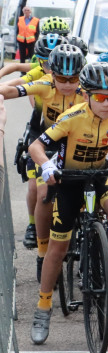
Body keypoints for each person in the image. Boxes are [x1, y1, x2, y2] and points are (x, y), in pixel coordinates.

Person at [27, 63, 108, 345]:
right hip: (69, 180)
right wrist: (45, 166)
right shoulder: (72, 117)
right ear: (87, 95)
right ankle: (43, 307)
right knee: (58, 248)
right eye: (101, 97)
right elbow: (35, 147)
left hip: (100, 176)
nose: (107, 103)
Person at [0, 37, 83, 279]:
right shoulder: (44, 82)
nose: (67, 84)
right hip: (44, 141)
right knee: (43, 193)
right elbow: (11, 88)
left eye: (73, 79)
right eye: (61, 78)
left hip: (76, 142)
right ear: (51, 73)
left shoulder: (86, 90)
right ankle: (42, 251)